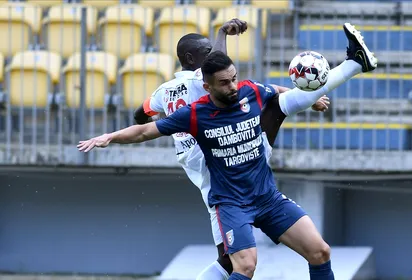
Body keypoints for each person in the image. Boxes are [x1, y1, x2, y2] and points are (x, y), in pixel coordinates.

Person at [77, 23, 377, 280]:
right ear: (205, 81)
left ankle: (355, 63)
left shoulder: (221, 90)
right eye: (224, 81)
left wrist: (308, 97)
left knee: (319, 250)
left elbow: (141, 116)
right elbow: (144, 130)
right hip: (224, 189)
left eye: (234, 78)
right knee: (240, 265)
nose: (233, 85)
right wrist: (110, 137)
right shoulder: (197, 108)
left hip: (258, 191)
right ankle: (354, 65)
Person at [131, 20, 329, 280]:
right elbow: (220, 61)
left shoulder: (163, 91)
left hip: (197, 164)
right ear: (191, 58)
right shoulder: (202, 79)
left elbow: (141, 113)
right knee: (267, 113)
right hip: (215, 160)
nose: (213, 53)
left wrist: (164, 124)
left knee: (228, 261)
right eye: (207, 51)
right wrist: (222, 32)